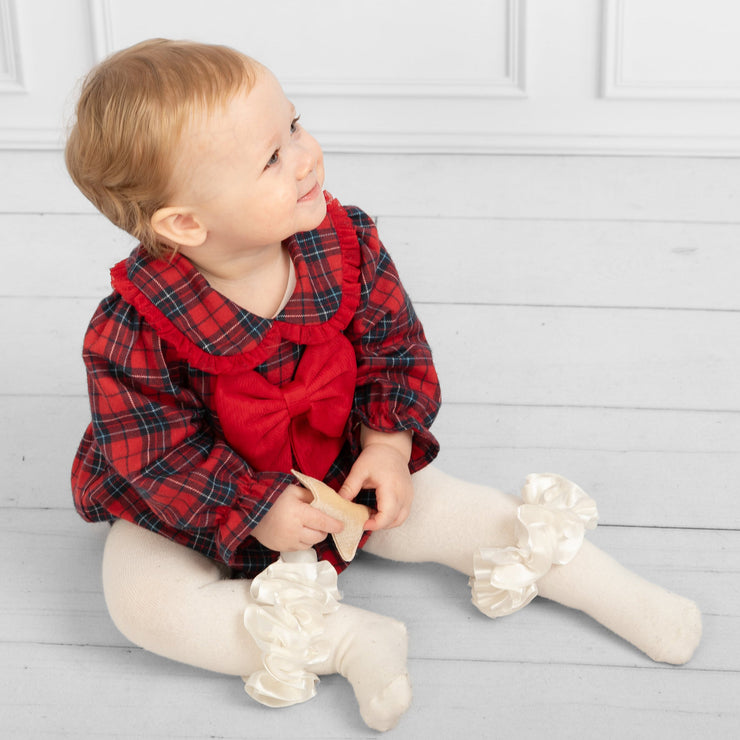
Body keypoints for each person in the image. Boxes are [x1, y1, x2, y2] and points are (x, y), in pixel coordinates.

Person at [66, 39, 702, 732]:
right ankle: (347, 641)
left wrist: (388, 442)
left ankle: (607, 587)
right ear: (186, 222)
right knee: (143, 603)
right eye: (273, 158)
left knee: (449, 509)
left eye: (296, 125)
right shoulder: (134, 328)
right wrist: (253, 507)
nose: (306, 156)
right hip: (199, 498)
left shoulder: (342, 246)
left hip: (340, 462)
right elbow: (154, 455)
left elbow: (394, 348)